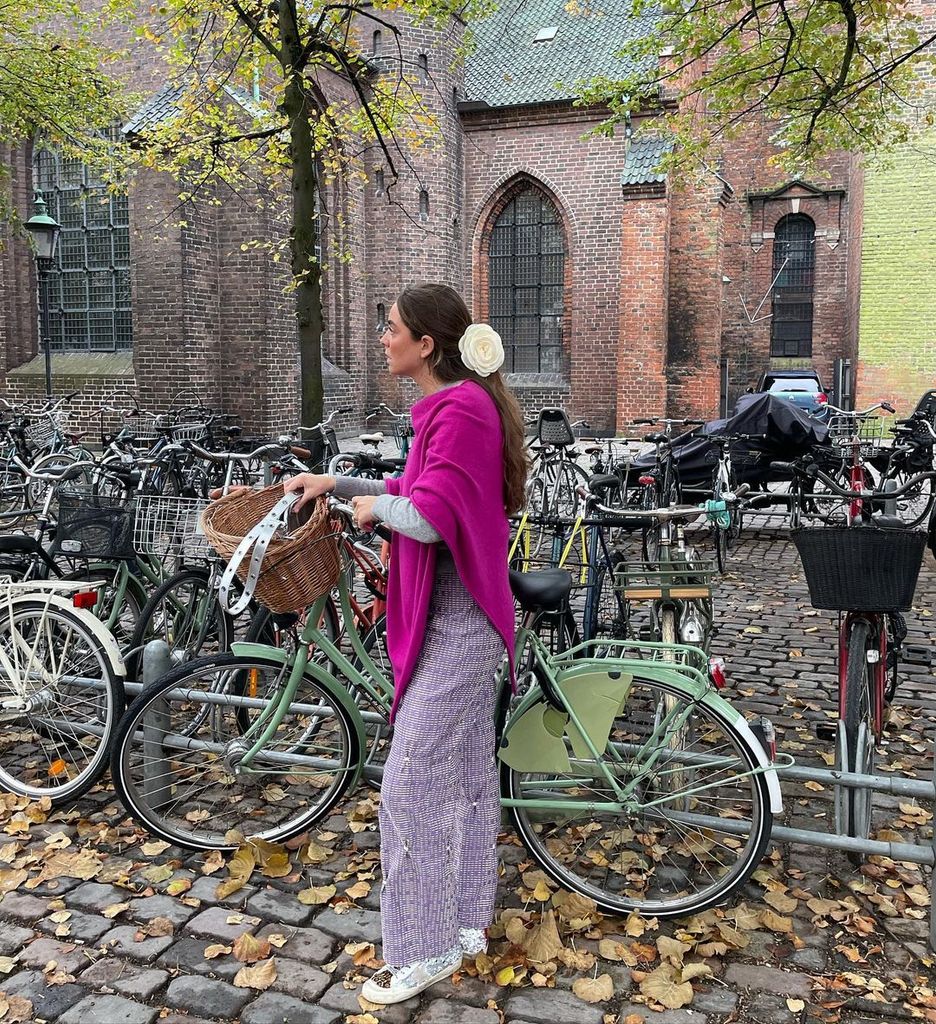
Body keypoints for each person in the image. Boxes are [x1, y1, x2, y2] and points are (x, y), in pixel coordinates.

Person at [284, 283, 527, 1005]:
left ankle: (422, 949)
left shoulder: (460, 410)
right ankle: (465, 923)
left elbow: (424, 516)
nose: (383, 338)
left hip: (462, 621)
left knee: (411, 779)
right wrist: (337, 481)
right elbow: (414, 486)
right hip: (459, 616)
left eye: (391, 329)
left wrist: (375, 509)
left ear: (427, 344)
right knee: (466, 770)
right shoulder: (453, 409)